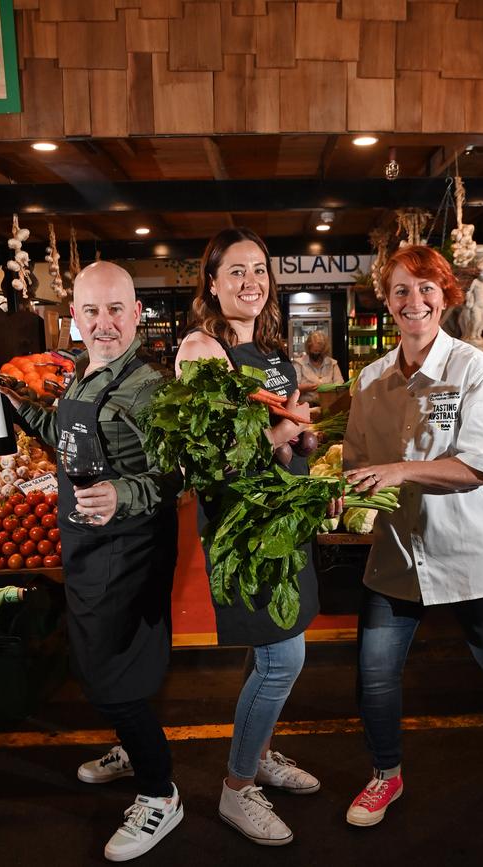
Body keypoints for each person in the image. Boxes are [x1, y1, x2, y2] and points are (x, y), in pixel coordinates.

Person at [338, 245, 483, 828]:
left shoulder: (474, 369)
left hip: (472, 549)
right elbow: (357, 462)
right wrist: (335, 489)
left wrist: (400, 470)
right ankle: (386, 775)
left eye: (427, 288)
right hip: (399, 551)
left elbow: (482, 466)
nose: (415, 301)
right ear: (385, 301)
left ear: (447, 296)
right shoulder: (371, 380)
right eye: (401, 290)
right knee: (375, 671)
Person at [0, 261, 183, 862]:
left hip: (129, 547)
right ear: (74, 316)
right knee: (98, 665)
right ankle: (131, 746)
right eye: (91, 311)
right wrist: (19, 406)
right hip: (85, 541)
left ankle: (161, 793)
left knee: (112, 676)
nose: (103, 323)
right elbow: (68, 437)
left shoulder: (150, 387)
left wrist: (121, 494)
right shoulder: (79, 375)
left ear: (135, 313)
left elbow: (175, 476)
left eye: (115, 310)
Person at [176, 228, 321, 847]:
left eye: (259, 270)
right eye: (235, 271)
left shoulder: (271, 350)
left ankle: (258, 752)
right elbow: (208, 463)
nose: (251, 283)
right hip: (244, 528)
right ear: (211, 282)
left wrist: (305, 441)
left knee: (275, 653)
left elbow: (286, 436)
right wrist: (280, 436)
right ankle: (238, 789)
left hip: (283, 517)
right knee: (282, 659)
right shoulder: (201, 349)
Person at [293, 330, 343, 406]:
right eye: (314, 351)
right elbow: (293, 388)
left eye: (319, 352)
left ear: (324, 351)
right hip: (306, 406)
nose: (316, 354)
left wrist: (329, 388)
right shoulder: (299, 364)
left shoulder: (332, 364)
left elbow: (341, 385)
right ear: (308, 349)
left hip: (329, 405)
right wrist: (306, 388)